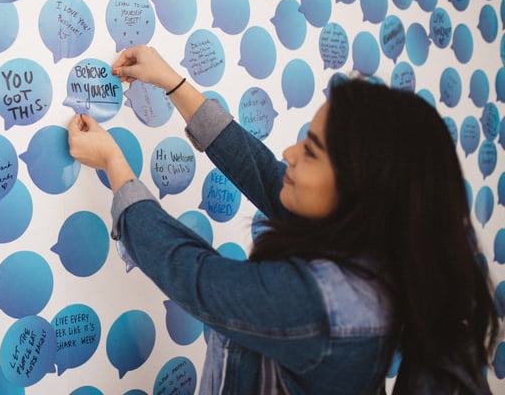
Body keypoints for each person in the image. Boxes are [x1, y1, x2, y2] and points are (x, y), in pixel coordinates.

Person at [67, 45, 500, 395]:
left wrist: (114, 165)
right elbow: (265, 173)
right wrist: (173, 83)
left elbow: (196, 278)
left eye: (310, 151)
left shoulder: (322, 304)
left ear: (358, 190)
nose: (290, 155)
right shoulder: (371, 244)